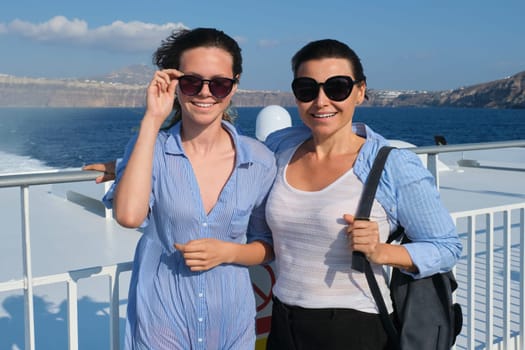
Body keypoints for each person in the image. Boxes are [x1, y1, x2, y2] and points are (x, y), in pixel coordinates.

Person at [262, 39, 462, 349]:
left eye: (337, 87)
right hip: (284, 321)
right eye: (307, 89)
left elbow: (447, 246)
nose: (321, 100)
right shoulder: (280, 148)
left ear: (360, 90)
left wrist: (382, 252)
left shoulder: (391, 165)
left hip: (354, 327)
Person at [100, 28, 276, 349]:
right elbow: (128, 215)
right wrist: (152, 120)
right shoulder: (149, 149)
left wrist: (228, 252)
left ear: (234, 86)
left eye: (219, 84)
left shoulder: (259, 161)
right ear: (176, 85)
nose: (205, 93)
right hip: (162, 324)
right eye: (192, 82)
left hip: (231, 327)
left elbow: (267, 245)